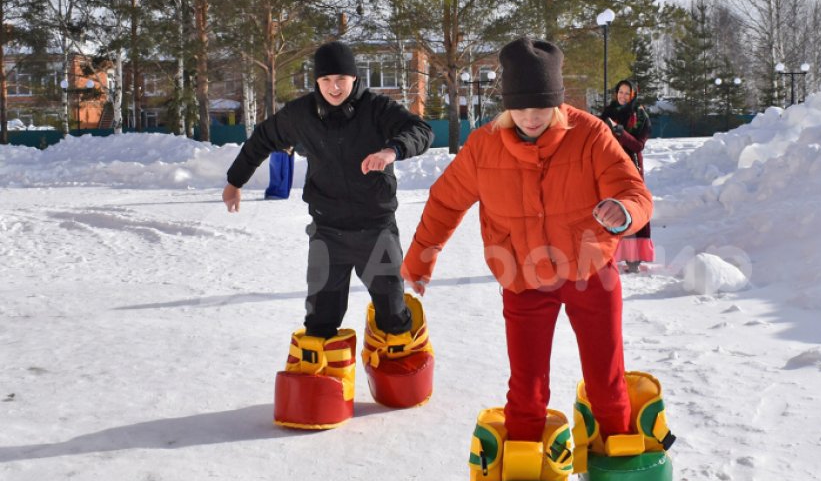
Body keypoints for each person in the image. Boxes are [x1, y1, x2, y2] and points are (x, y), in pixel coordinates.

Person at [401, 38, 652, 443]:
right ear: (506, 105)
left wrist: (623, 211)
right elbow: (445, 201)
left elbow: (634, 190)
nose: (531, 118)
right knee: (526, 390)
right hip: (522, 280)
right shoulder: (483, 147)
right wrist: (419, 260)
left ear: (557, 102)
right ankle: (524, 468)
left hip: (592, 276)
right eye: (520, 108)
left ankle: (618, 455)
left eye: (541, 108)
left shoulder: (589, 135)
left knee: (606, 381)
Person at [223, 40, 433, 343]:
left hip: (376, 228)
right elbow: (262, 139)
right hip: (327, 230)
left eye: (341, 80)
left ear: (354, 78)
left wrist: (392, 150)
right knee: (320, 320)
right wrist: (235, 181)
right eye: (326, 80)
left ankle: (401, 373)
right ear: (317, 81)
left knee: (392, 314)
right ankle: (322, 382)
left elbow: (421, 130)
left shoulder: (377, 108)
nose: (334, 87)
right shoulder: (301, 114)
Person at [600, 79, 653, 272]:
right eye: (619, 92)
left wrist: (621, 133)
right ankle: (609, 253)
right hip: (609, 164)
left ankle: (634, 256)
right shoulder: (608, 112)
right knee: (610, 206)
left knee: (633, 206)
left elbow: (639, 145)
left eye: (626, 93)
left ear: (633, 95)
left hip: (632, 166)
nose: (622, 96)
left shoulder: (640, 115)